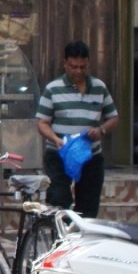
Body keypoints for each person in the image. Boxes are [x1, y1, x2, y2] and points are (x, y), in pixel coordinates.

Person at [36, 40, 118, 218]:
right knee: (59, 200)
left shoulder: (99, 87)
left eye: (82, 67)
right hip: (59, 154)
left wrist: (101, 131)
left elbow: (113, 117)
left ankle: (82, 241)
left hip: (90, 155)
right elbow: (42, 122)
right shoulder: (53, 89)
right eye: (73, 67)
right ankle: (61, 239)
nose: (78, 72)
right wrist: (56, 139)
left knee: (88, 206)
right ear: (65, 63)